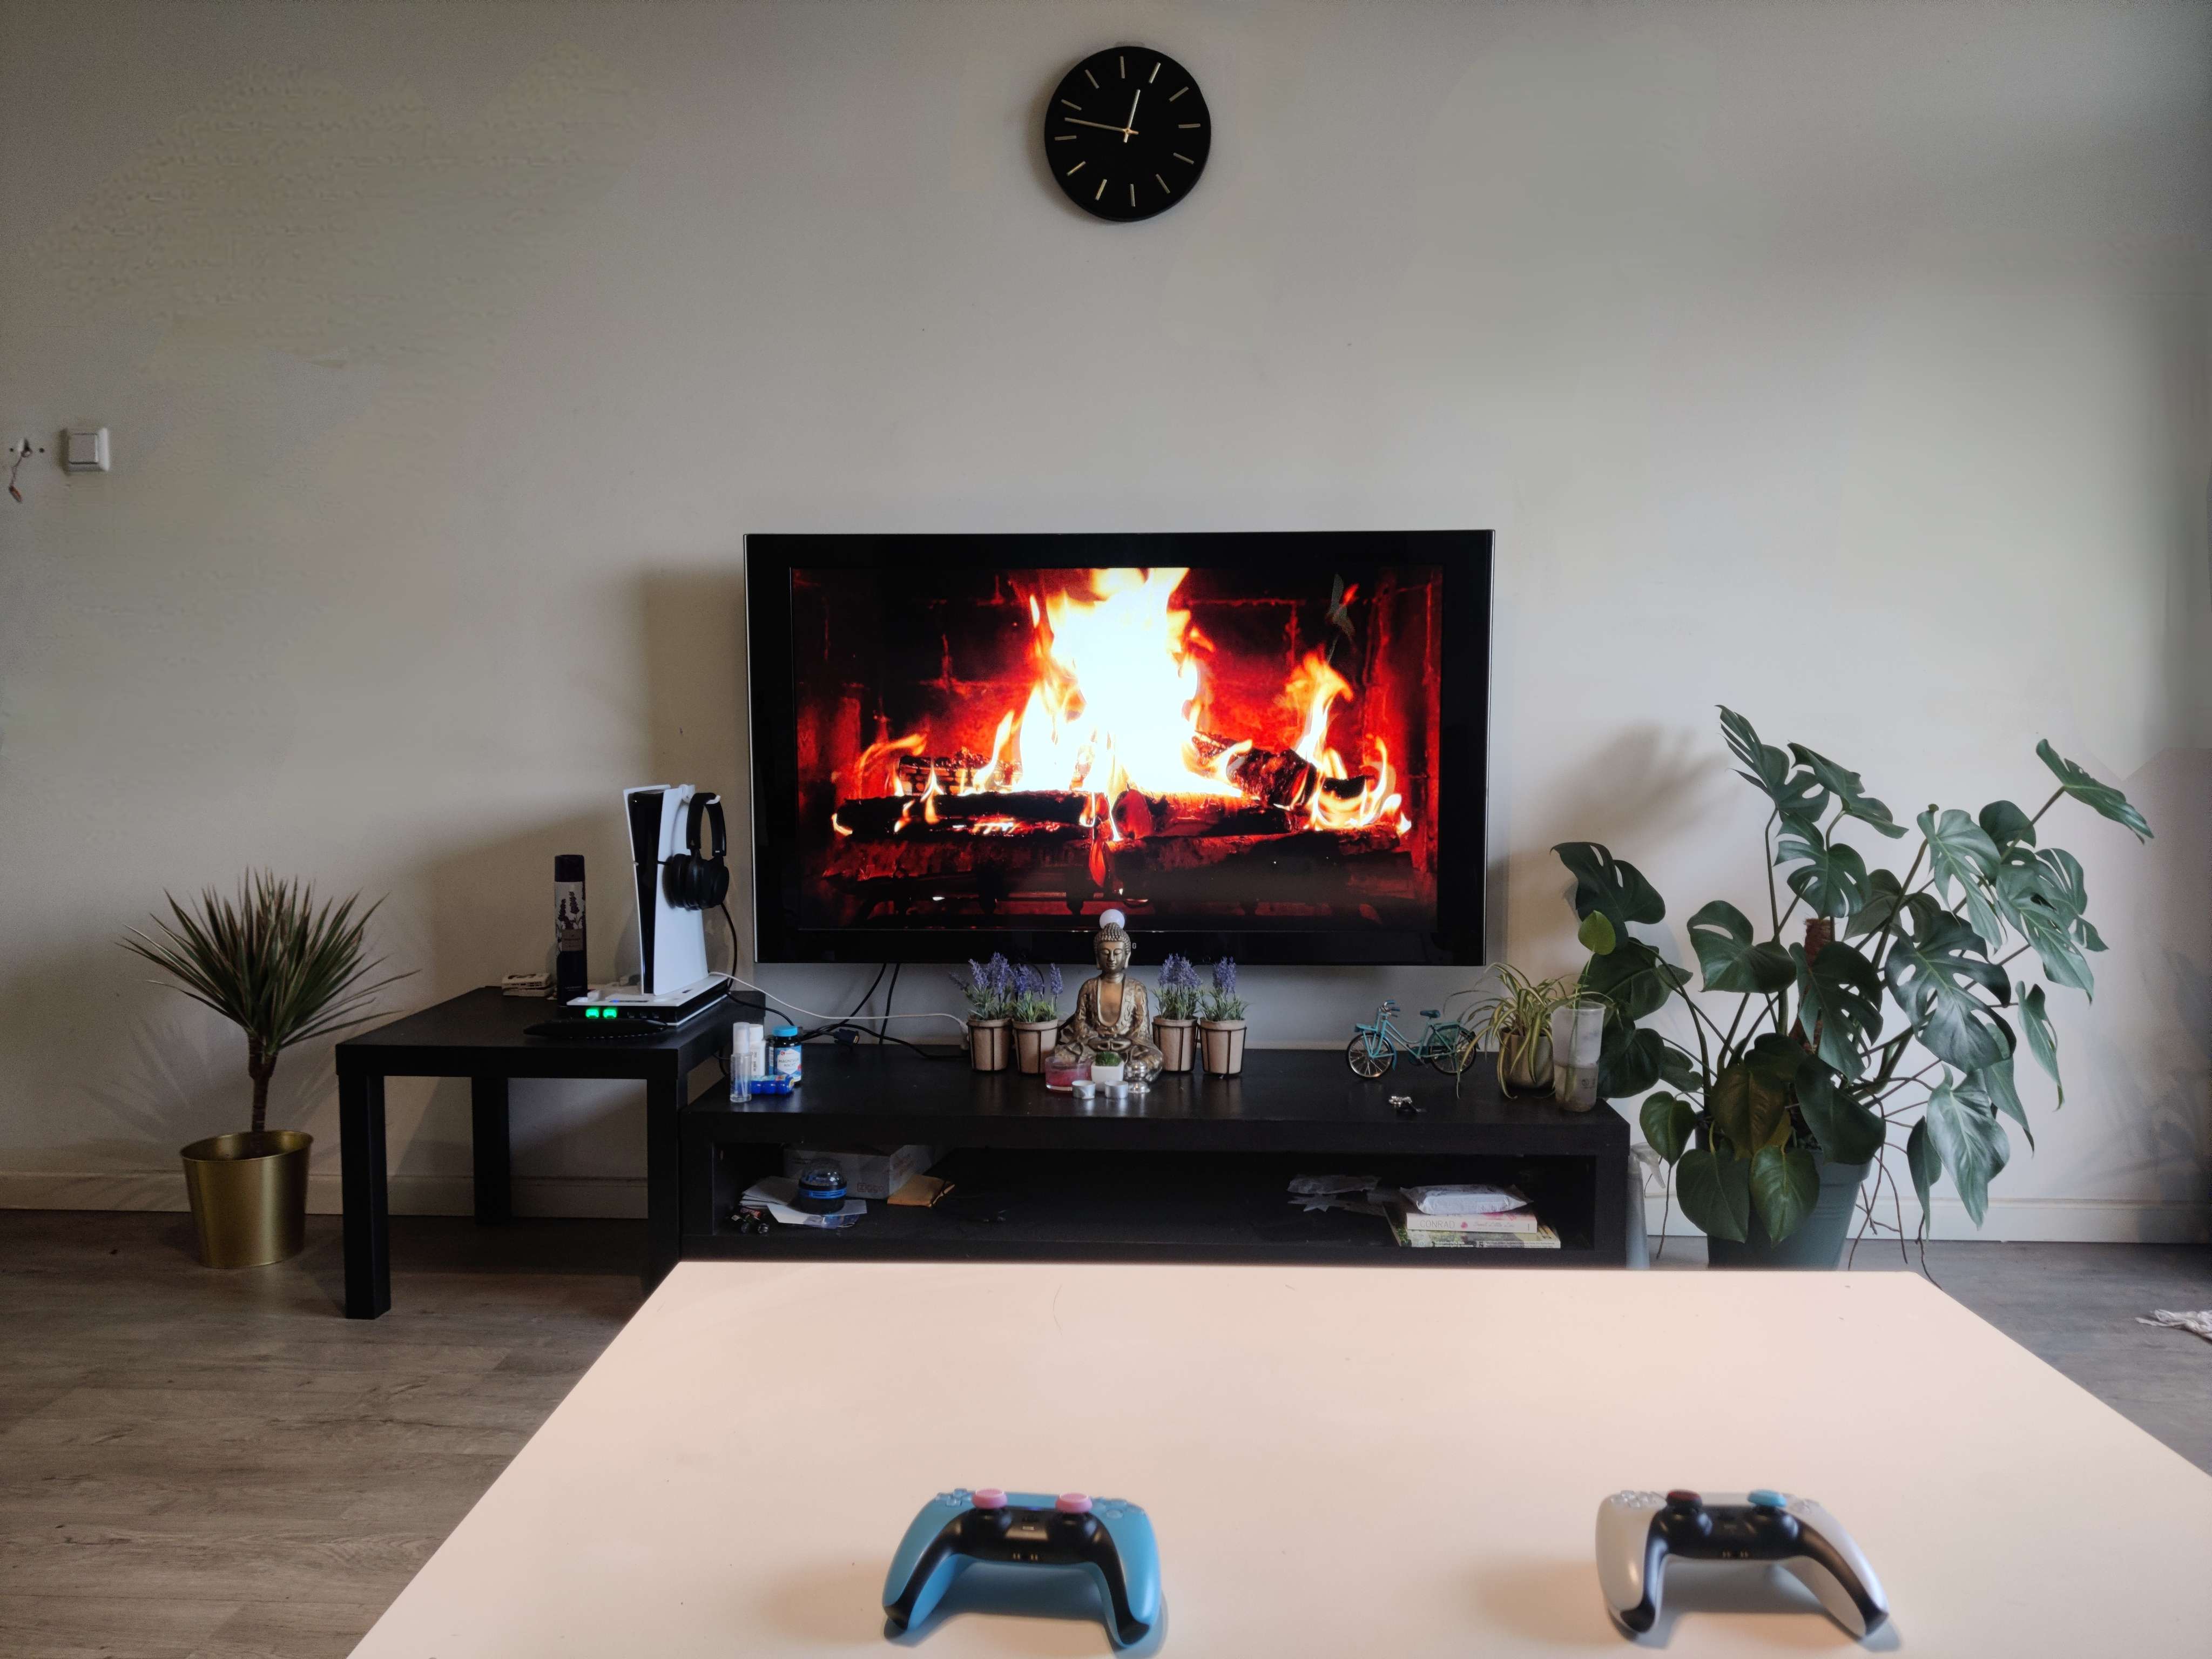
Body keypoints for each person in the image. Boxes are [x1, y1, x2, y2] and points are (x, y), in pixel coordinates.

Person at [1049, 909, 1163, 1084]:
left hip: (1128, 1048)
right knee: (1061, 1056)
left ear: (1127, 956)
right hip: (1093, 1046)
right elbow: (1081, 1024)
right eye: (1105, 952)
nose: (1111, 958)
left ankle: (1095, 1074)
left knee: (1154, 1059)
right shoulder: (1089, 987)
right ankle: (1121, 1075)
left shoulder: (1137, 989)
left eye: (1117, 953)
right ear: (1097, 956)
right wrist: (1096, 1041)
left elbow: (1141, 1031)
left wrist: (1124, 1043)